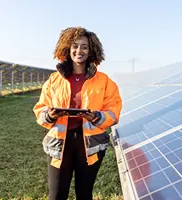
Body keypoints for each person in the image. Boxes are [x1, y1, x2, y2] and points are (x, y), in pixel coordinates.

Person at [33, 27, 122, 200]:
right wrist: (50, 115)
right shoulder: (54, 79)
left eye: (84, 47)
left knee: (84, 194)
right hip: (59, 144)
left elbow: (114, 110)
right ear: (67, 48)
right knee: (56, 195)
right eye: (75, 46)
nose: (79, 51)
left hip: (89, 144)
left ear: (91, 51)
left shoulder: (104, 81)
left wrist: (97, 117)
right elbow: (41, 107)